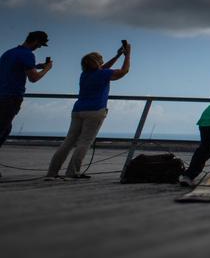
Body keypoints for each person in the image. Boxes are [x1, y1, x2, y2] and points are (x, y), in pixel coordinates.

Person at [46, 41, 131, 179]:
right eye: (100, 60)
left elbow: (103, 68)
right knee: (84, 142)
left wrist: (118, 55)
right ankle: (72, 172)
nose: (102, 62)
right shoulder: (103, 74)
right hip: (95, 111)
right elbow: (124, 71)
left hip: (78, 111)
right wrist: (128, 55)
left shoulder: (85, 74)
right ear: (97, 63)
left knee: (68, 142)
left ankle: (52, 172)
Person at [0, 30, 53, 176]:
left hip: (2, 95)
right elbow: (34, 79)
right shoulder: (27, 54)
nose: (39, 47)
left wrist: (37, 66)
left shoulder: (8, 53)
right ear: (35, 41)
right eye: (40, 45)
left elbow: (15, 69)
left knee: (5, 129)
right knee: (2, 130)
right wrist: (46, 69)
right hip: (11, 97)